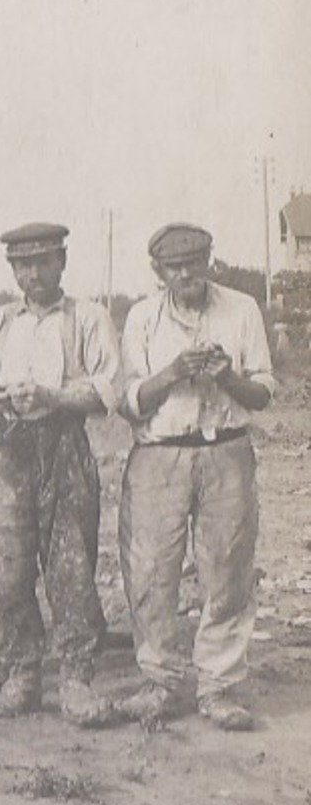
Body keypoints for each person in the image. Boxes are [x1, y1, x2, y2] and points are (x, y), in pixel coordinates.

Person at [116, 224, 275, 731]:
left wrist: (226, 376)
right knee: (151, 570)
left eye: (194, 262)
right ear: (157, 270)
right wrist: (175, 372)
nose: (185, 273)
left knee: (228, 569)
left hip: (226, 450)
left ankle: (219, 686)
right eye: (174, 266)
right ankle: (160, 681)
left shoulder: (242, 309)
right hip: (159, 453)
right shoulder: (142, 316)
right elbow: (129, 401)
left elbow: (264, 392)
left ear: (210, 259)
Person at [0, 223, 120, 726]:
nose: (32, 273)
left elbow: (106, 391)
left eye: (43, 262)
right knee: (6, 567)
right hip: (8, 446)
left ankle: (75, 678)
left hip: (64, 442)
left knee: (72, 562)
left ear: (62, 262)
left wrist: (52, 396)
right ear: (12, 269)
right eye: (22, 265)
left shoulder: (88, 318)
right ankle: (22, 673)